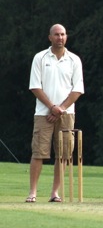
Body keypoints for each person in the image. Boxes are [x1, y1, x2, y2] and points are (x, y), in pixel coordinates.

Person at [25, 24, 84, 203]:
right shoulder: (40, 58)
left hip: (66, 114)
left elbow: (78, 89)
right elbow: (35, 86)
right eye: (57, 35)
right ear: (50, 37)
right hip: (43, 113)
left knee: (64, 154)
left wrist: (61, 109)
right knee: (39, 152)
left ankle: (55, 193)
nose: (60, 37)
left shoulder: (74, 59)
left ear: (66, 37)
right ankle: (32, 192)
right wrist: (52, 107)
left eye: (63, 34)